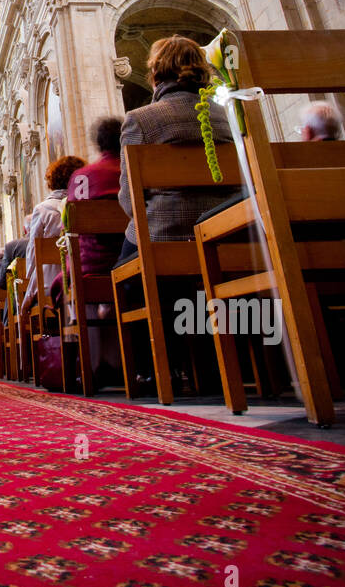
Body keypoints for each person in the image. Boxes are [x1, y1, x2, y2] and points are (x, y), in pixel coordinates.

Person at [116, 34, 235, 392]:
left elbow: (128, 199)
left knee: (124, 266)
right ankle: (222, 360)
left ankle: (153, 368)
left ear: (155, 74)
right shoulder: (229, 116)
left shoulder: (141, 120)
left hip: (164, 234)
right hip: (228, 234)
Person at [63, 117, 124, 387]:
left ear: (98, 144)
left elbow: (74, 226)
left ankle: (92, 363)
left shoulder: (82, 177)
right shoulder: (133, 169)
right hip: (133, 259)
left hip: (92, 264)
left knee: (65, 281)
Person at [21, 155, 85, 319]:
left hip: (52, 282)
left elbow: (34, 253)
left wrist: (29, 288)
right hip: (87, 273)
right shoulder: (85, 203)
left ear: (53, 181)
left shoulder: (43, 209)